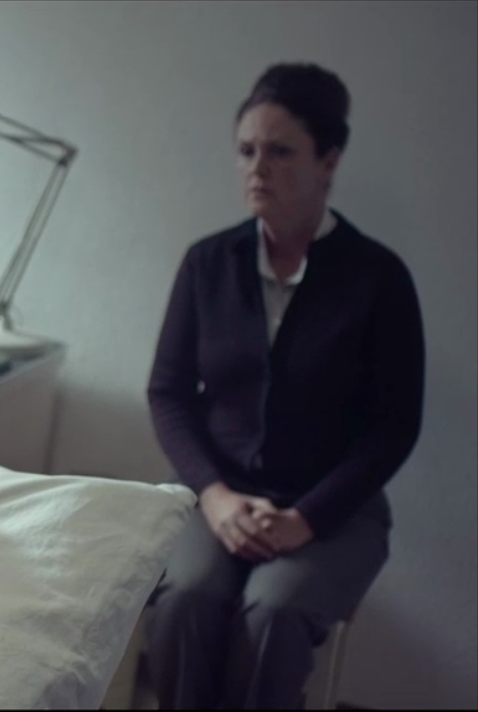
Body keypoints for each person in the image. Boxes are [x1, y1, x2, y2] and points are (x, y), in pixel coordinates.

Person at [145, 62, 426, 709]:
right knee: (185, 598)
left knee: (273, 611)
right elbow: (168, 392)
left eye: (279, 152)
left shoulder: (379, 278)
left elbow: (393, 427)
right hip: (215, 493)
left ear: (329, 160)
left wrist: (307, 518)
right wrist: (214, 496)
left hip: (334, 509)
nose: (257, 168)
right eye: (246, 151)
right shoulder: (207, 263)